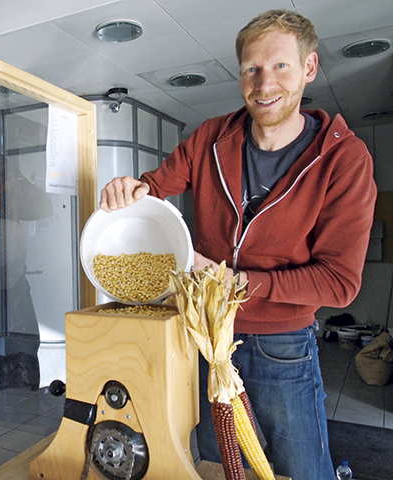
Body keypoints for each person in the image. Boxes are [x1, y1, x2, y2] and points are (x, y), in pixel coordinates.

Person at [99, 9, 377, 480]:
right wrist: (131, 189)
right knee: (221, 465)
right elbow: (156, 186)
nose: (265, 84)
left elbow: (340, 283)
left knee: (303, 469)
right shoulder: (211, 137)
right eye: (252, 68)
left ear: (309, 67)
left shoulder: (343, 159)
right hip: (210, 337)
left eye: (281, 66)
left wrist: (235, 282)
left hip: (283, 345)